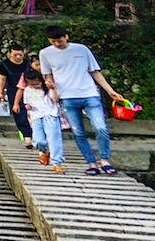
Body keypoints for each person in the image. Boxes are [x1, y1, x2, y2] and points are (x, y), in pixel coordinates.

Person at [38, 26, 131, 177]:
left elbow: (95, 71)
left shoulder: (81, 49)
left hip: (89, 94)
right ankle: (91, 163)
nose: (56, 43)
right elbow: (47, 76)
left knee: (101, 128)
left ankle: (105, 160)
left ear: (66, 36)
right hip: (67, 97)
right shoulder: (45, 53)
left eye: (59, 40)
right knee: (78, 132)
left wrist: (109, 90)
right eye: (53, 41)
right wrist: (50, 86)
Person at [20, 72, 67, 170]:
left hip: (50, 114)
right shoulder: (27, 90)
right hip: (36, 116)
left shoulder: (48, 88)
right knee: (38, 140)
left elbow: (56, 100)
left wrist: (51, 88)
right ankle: (44, 151)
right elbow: (26, 103)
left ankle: (57, 163)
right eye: (31, 84)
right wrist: (27, 107)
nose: (34, 86)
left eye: (36, 83)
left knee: (54, 138)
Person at [0, 44, 37, 144]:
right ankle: (26, 133)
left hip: (29, 90)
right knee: (18, 111)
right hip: (13, 90)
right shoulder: (5, 64)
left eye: (20, 55)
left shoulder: (28, 64)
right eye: (15, 55)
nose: (18, 57)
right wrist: (0, 92)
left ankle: (32, 132)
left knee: (30, 111)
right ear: (10, 54)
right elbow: (2, 79)